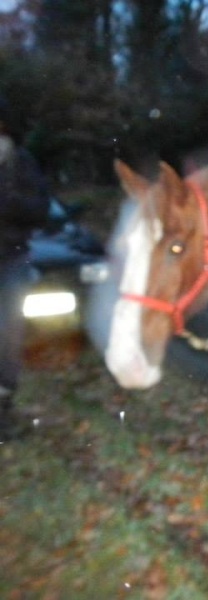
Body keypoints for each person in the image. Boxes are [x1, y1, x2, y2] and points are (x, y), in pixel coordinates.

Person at [0, 98, 50, 440]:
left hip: (12, 262)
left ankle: (2, 413)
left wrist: (11, 203)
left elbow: (41, 208)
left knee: (8, 339)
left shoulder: (22, 164)